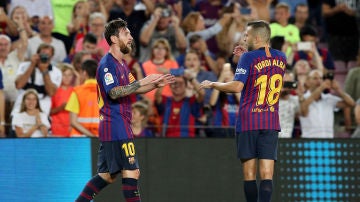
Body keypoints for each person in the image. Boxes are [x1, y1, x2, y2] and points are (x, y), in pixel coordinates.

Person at [75, 18, 174, 202]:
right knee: (132, 171)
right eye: (126, 33)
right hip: (116, 124)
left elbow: (133, 87)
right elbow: (114, 92)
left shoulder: (121, 64)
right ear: (114, 39)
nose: (130, 37)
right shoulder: (107, 65)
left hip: (118, 124)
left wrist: (154, 84)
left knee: (107, 176)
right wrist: (141, 82)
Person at [200, 20, 286, 202]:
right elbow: (265, 67)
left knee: (249, 174)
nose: (244, 38)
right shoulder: (282, 58)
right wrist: (246, 56)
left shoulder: (248, 58)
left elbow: (237, 86)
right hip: (271, 121)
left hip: (249, 121)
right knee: (267, 174)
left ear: (256, 37)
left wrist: (214, 84)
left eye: (246, 35)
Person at [299, 69, 355, 138]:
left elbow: (351, 103)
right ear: (307, 82)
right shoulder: (302, 98)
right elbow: (303, 109)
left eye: (321, 78)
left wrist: (338, 90)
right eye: (315, 78)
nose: (319, 81)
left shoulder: (328, 98)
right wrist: (320, 88)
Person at [65, 59, 98, 137]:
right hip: (102, 137)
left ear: (84, 73)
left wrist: (91, 136)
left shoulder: (77, 91)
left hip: (79, 139)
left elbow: (73, 121)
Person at [50, 63, 75, 137]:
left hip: (72, 129)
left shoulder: (76, 91)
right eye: (64, 75)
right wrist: (60, 108)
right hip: (57, 129)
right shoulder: (54, 91)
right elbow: (48, 111)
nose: (67, 77)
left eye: (69, 75)